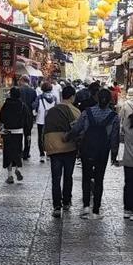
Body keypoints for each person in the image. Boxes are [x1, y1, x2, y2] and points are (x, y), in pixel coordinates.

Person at [73, 88, 120, 218]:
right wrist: (114, 155)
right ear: (110, 100)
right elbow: (114, 138)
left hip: (87, 149)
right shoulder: (114, 117)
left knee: (86, 177)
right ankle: (96, 210)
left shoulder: (87, 112)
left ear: (97, 98)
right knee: (99, 180)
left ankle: (86, 206)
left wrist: (68, 137)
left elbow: (77, 129)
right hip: (102, 151)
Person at [43, 87, 78, 217]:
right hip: (70, 148)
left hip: (53, 147)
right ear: (72, 97)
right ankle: (67, 201)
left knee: (56, 178)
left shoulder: (51, 111)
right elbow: (77, 130)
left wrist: (44, 147)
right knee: (68, 176)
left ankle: (57, 206)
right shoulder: (75, 111)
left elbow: (45, 130)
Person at [0, 89, 31, 183]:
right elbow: (26, 121)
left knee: (8, 153)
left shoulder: (6, 105)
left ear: (11, 95)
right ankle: (18, 169)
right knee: (17, 152)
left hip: (8, 132)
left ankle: (10, 175)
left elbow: (1, 118)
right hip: (19, 132)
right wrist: (27, 133)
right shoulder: (22, 105)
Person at [34, 78, 59, 162]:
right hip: (51, 120)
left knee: (40, 137)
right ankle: (49, 153)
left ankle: (41, 155)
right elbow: (57, 107)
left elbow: (34, 106)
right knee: (49, 136)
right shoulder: (54, 98)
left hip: (41, 119)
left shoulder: (39, 97)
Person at [16, 75, 37, 161]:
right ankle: (26, 153)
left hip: (19, 115)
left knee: (19, 134)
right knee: (28, 134)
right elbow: (35, 104)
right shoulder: (33, 91)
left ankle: (19, 151)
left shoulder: (18, 90)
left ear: (22, 80)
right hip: (29, 116)